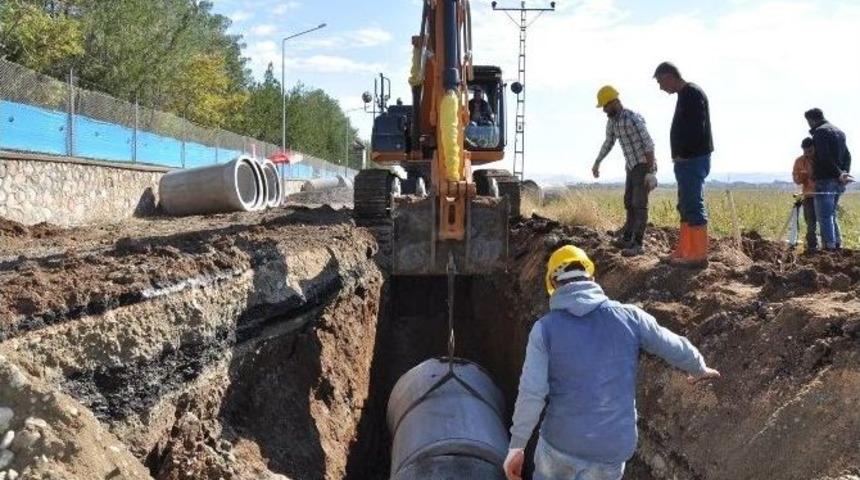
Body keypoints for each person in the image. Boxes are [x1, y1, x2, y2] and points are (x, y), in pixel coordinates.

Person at [503, 245, 720, 480]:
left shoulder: (545, 329)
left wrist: (517, 447)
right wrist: (698, 366)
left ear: (553, 285)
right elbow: (671, 344)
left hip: (560, 446)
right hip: (611, 449)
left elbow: (532, 393)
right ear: (592, 278)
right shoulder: (630, 317)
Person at [653, 61, 713, 268]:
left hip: (693, 160)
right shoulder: (685, 95)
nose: (661, 87)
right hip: (687, 160)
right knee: (685, 204)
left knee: (693, 204)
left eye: (661, 81)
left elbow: (697, 128)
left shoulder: (692, 94)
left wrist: (685, 154)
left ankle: (697, 255)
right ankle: (684, 250)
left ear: (670, 76)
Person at [592, 85, 658, 257]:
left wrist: (651, 172)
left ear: (614, 102)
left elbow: (649, 145)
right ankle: (627, 238)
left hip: (643, 165)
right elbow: (608, 143)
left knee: (639, 204)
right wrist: (597, 162)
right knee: (629, 202)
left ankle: (638, 244)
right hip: (630, 167)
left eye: (606, 106)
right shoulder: (612, 122)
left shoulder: (632, 119)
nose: (604, 110)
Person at [804, 108, 852, 251]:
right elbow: (848, 156)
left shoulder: (820, 132)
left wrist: (838, 173)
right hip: (838, 182)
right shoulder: (839, 132)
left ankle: (829, 248)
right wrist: (844, 174)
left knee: (824, 216)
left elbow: (824, 157)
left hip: (825, 179)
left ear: (811, 120)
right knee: (831, 213)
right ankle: (837, 243)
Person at [792, 137, 818, 252]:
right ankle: (812, 246)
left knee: (826, 221)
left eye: (810, 151)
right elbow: (797, 180)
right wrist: (803, 176)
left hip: (823, 196)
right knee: (810, 222)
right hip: (808, 196)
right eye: (805, 152)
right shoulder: (799, 161)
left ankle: (830, 246)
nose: (808, 154)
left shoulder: (823, 159)